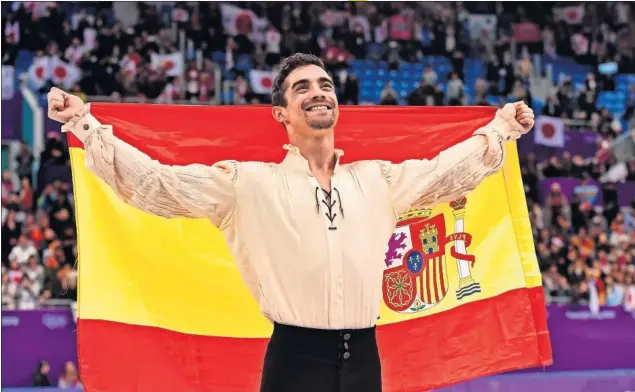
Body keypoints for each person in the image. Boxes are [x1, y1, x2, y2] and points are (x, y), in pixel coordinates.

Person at [47, 53, 534, 392]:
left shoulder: (378, 180)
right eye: (302, 87)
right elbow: (158, 185)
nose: (318, 93)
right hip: (295, 360)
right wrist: (84, 125)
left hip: (366, 359)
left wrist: (502, 129)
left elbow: (445, 172)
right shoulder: (247, 184)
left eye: (325, 85)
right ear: (281, 112)